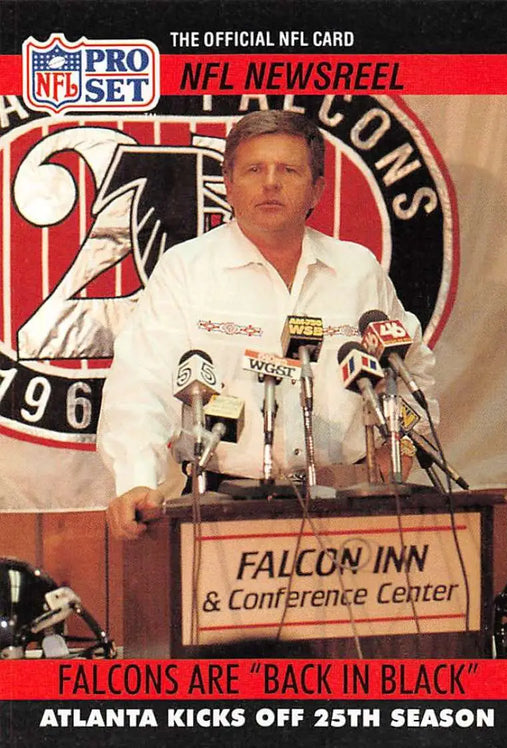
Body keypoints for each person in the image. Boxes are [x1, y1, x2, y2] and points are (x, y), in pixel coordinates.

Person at [98, 110, 438, 540]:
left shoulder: (358, 271)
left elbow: (412, 373)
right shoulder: (186, 269)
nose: (270, 183)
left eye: (289, 170)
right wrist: (136, 480)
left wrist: (401, 448)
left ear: (317, 188)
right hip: (226, 504)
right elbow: (140, 385)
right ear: (229, 183)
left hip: (353, 505)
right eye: (255, 169)